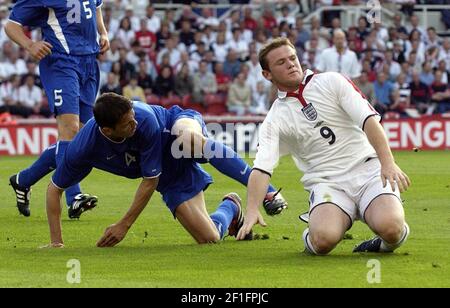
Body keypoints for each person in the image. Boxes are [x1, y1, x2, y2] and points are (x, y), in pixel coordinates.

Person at [237, 38, 411, 255]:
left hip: (368, 170)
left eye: (292, 58)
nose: (291, 64)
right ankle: (313, 230)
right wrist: (252, 209)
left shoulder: (331, 81)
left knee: (392, 229)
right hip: (327, 183)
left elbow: (369, 121)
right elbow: (262, 168)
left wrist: (388, 163)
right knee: (323, 241)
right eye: (281, 62)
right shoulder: (274, 119)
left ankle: (380, 244)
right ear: (267, 74)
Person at [44, 93, 287, 248]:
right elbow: (54, 189)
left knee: (188, 139)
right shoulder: (82, 149)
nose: (134, 123)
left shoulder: (145, 120)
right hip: (168, 173)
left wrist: (124, 225)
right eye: (128, 123)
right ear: (107, 131)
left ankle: (268, 191)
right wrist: (56, 243)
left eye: (133, 116)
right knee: (209, 238)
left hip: (174, 126)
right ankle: (231, 208)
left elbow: (149, 182)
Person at [5, 0, 110, 218]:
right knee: (69, 129)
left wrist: (103, 32)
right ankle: (74, 197)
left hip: (89, 63)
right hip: (61, 63)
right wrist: (30, 44)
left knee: (81, 137)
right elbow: (11, 25)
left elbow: (97, 6)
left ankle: (23, 180)